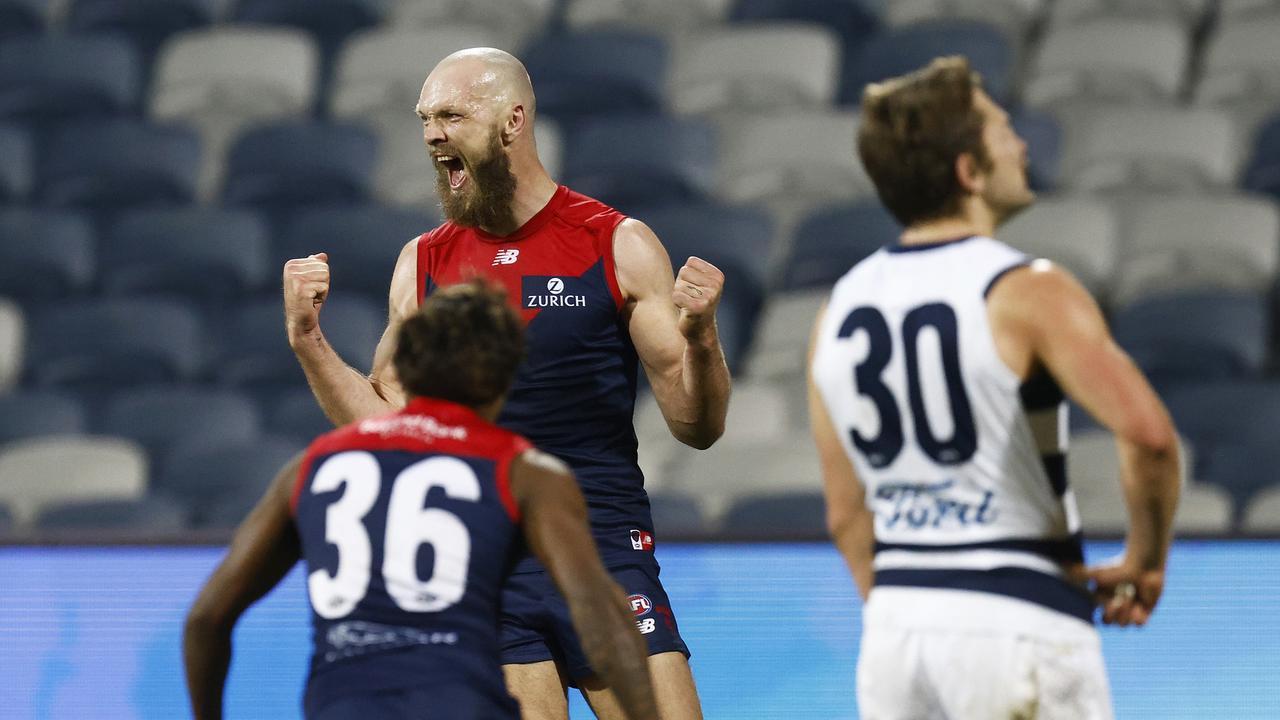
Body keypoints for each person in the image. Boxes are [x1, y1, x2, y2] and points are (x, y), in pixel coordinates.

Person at [281, 48, 726, 718]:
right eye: (425, 118)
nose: (432, 133)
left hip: (600, 544)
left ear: (513, 121)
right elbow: (385, 430)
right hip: (483, 554)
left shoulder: (614, 244)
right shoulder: (424, 262)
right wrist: (308, 342)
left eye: (451, 115)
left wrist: (701, 339)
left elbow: (696, 426)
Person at [808, 57, 1183, 719]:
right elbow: (1149, 437)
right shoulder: (1028, 288)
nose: (1021, 144)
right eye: (1003, 130)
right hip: (1020, 615)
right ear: (969, 171)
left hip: (895, 633)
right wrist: (1145, 562)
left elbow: (846, 514)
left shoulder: (836, 308)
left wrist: (916, 614)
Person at [184, 280, 659, 720]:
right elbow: (599, 617)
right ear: (503, 374)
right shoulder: (521, 470)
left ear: (405, 367)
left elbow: (207, 618)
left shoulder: (314, 465)